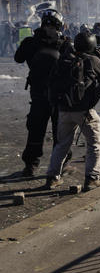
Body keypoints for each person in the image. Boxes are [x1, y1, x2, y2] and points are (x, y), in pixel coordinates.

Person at [45, 31, 100, 190]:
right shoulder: (91, 59)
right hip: (84, 111)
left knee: (61, 144)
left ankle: (52, 178)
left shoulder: (64, 58)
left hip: (63, 109)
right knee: (94, 144)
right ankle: (92, 178)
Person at [13, 9, 70, 178]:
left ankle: (31, 165)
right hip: (57, 94)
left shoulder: (31, 41)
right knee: (59, 130)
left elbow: (18, 58)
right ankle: (60, 164)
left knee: (38, 129)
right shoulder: (64, 43)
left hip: (39, 93)